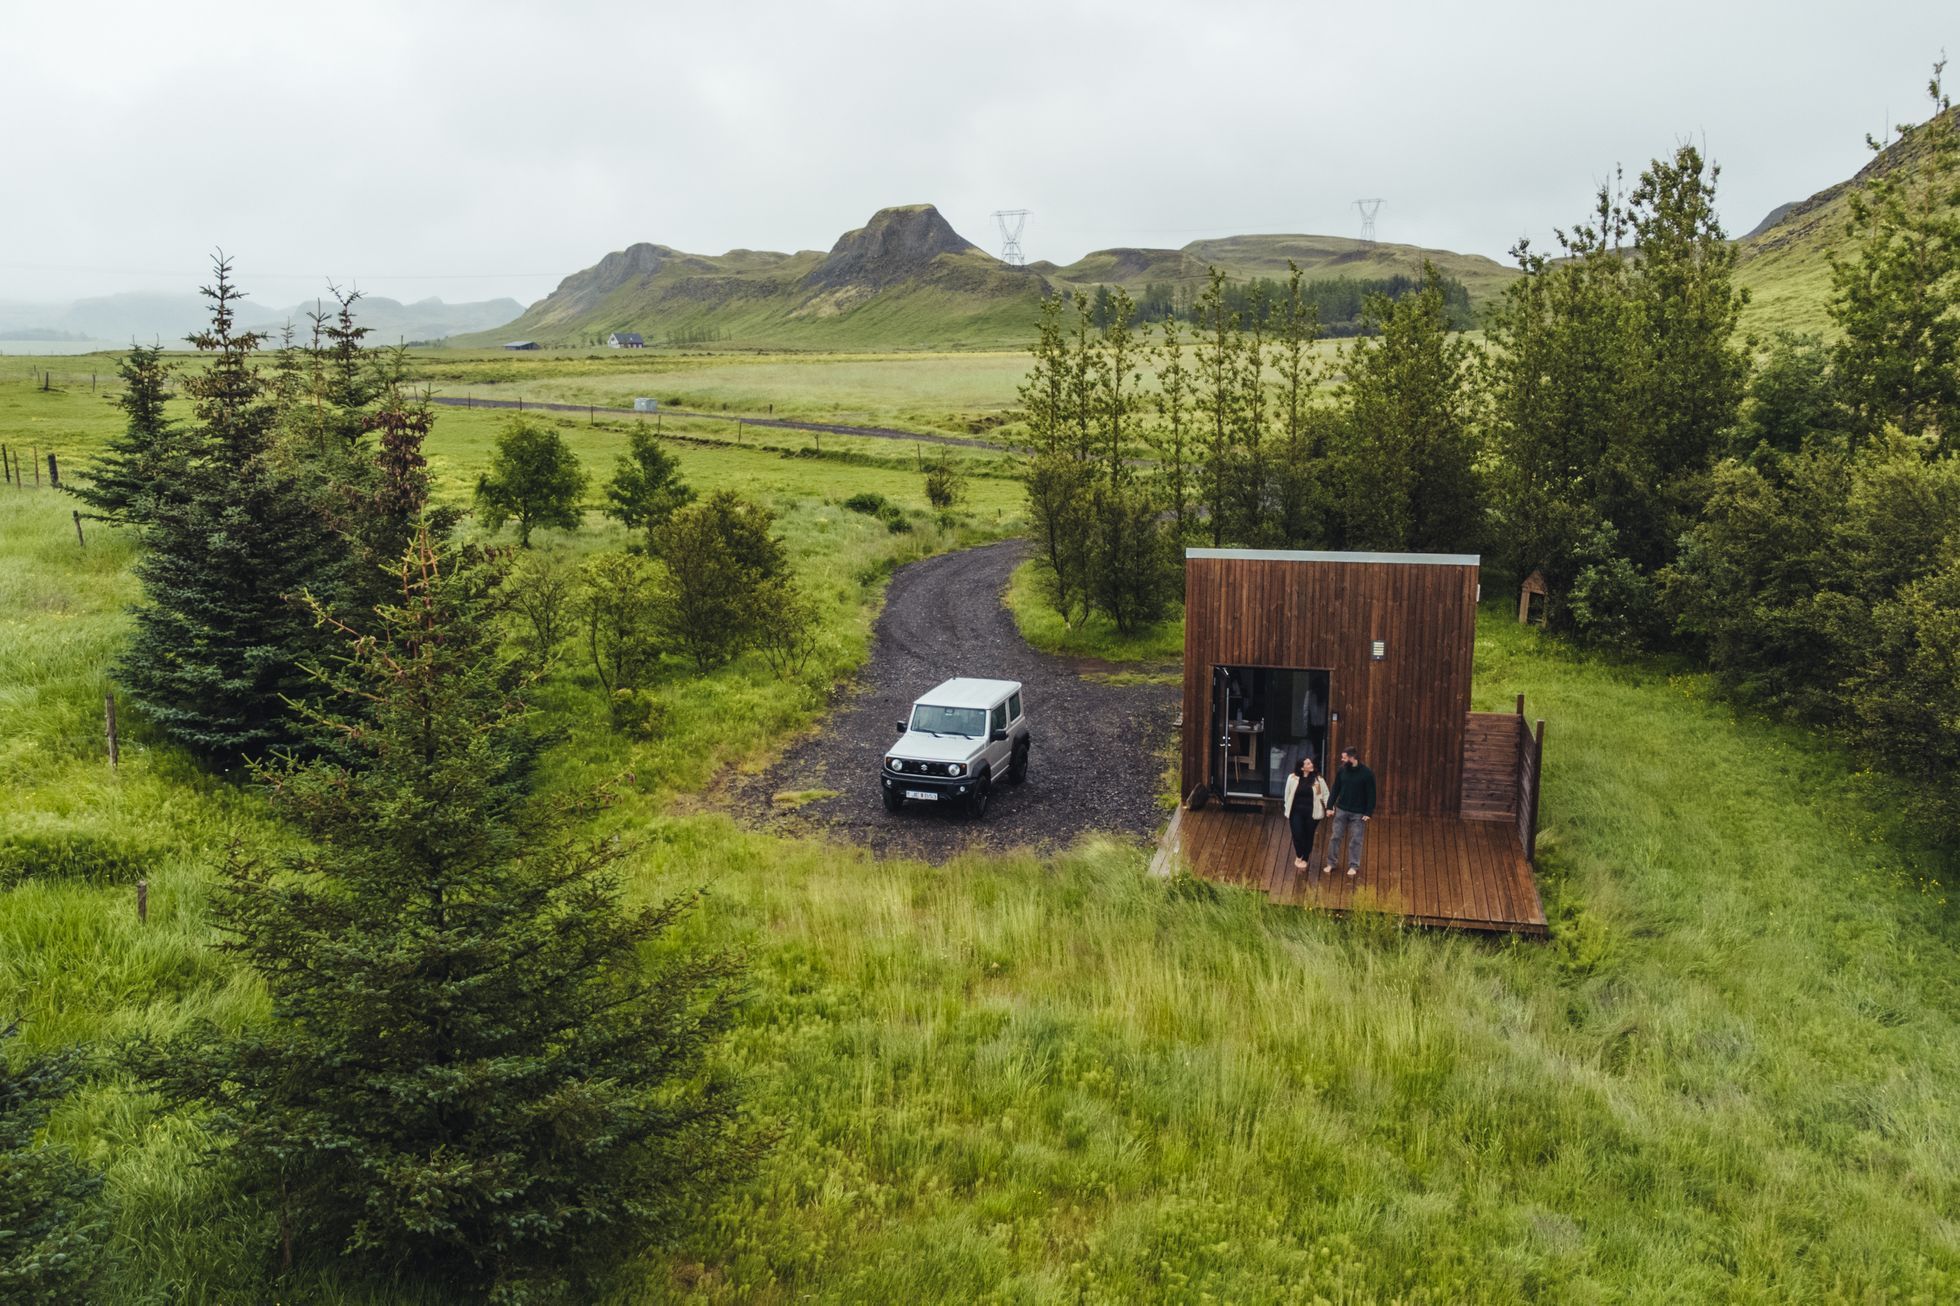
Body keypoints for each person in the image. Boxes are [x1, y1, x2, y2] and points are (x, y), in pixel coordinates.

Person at [1324, 745, 1377, 878]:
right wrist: (1330, 806)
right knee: (1335, 837)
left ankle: (1353, 865)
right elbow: (1336, 788)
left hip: (1358, 812)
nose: (1342, 760)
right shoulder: (1342, 771)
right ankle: (1331, 863)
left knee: (1356, 839)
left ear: (1352, 758)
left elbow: (1371, 794)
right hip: (1341, 809)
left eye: (1344, 757)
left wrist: (1368, 812)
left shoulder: (1367, 773)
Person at [1283, 754, 1329, 871]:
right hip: (1296, 812)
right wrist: (1286, 806)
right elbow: (1287, 794)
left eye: (1311, 763)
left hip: (1312, 813)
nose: (1311, 765)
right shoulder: (1292, 778)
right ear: (1302, 768)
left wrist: (1329, 807)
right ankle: (1299, 854)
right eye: (1308, 764)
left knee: (1308, 835)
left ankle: (1306, 858)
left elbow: (1325, 794)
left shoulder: (1318, 779)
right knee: (1297, 833)